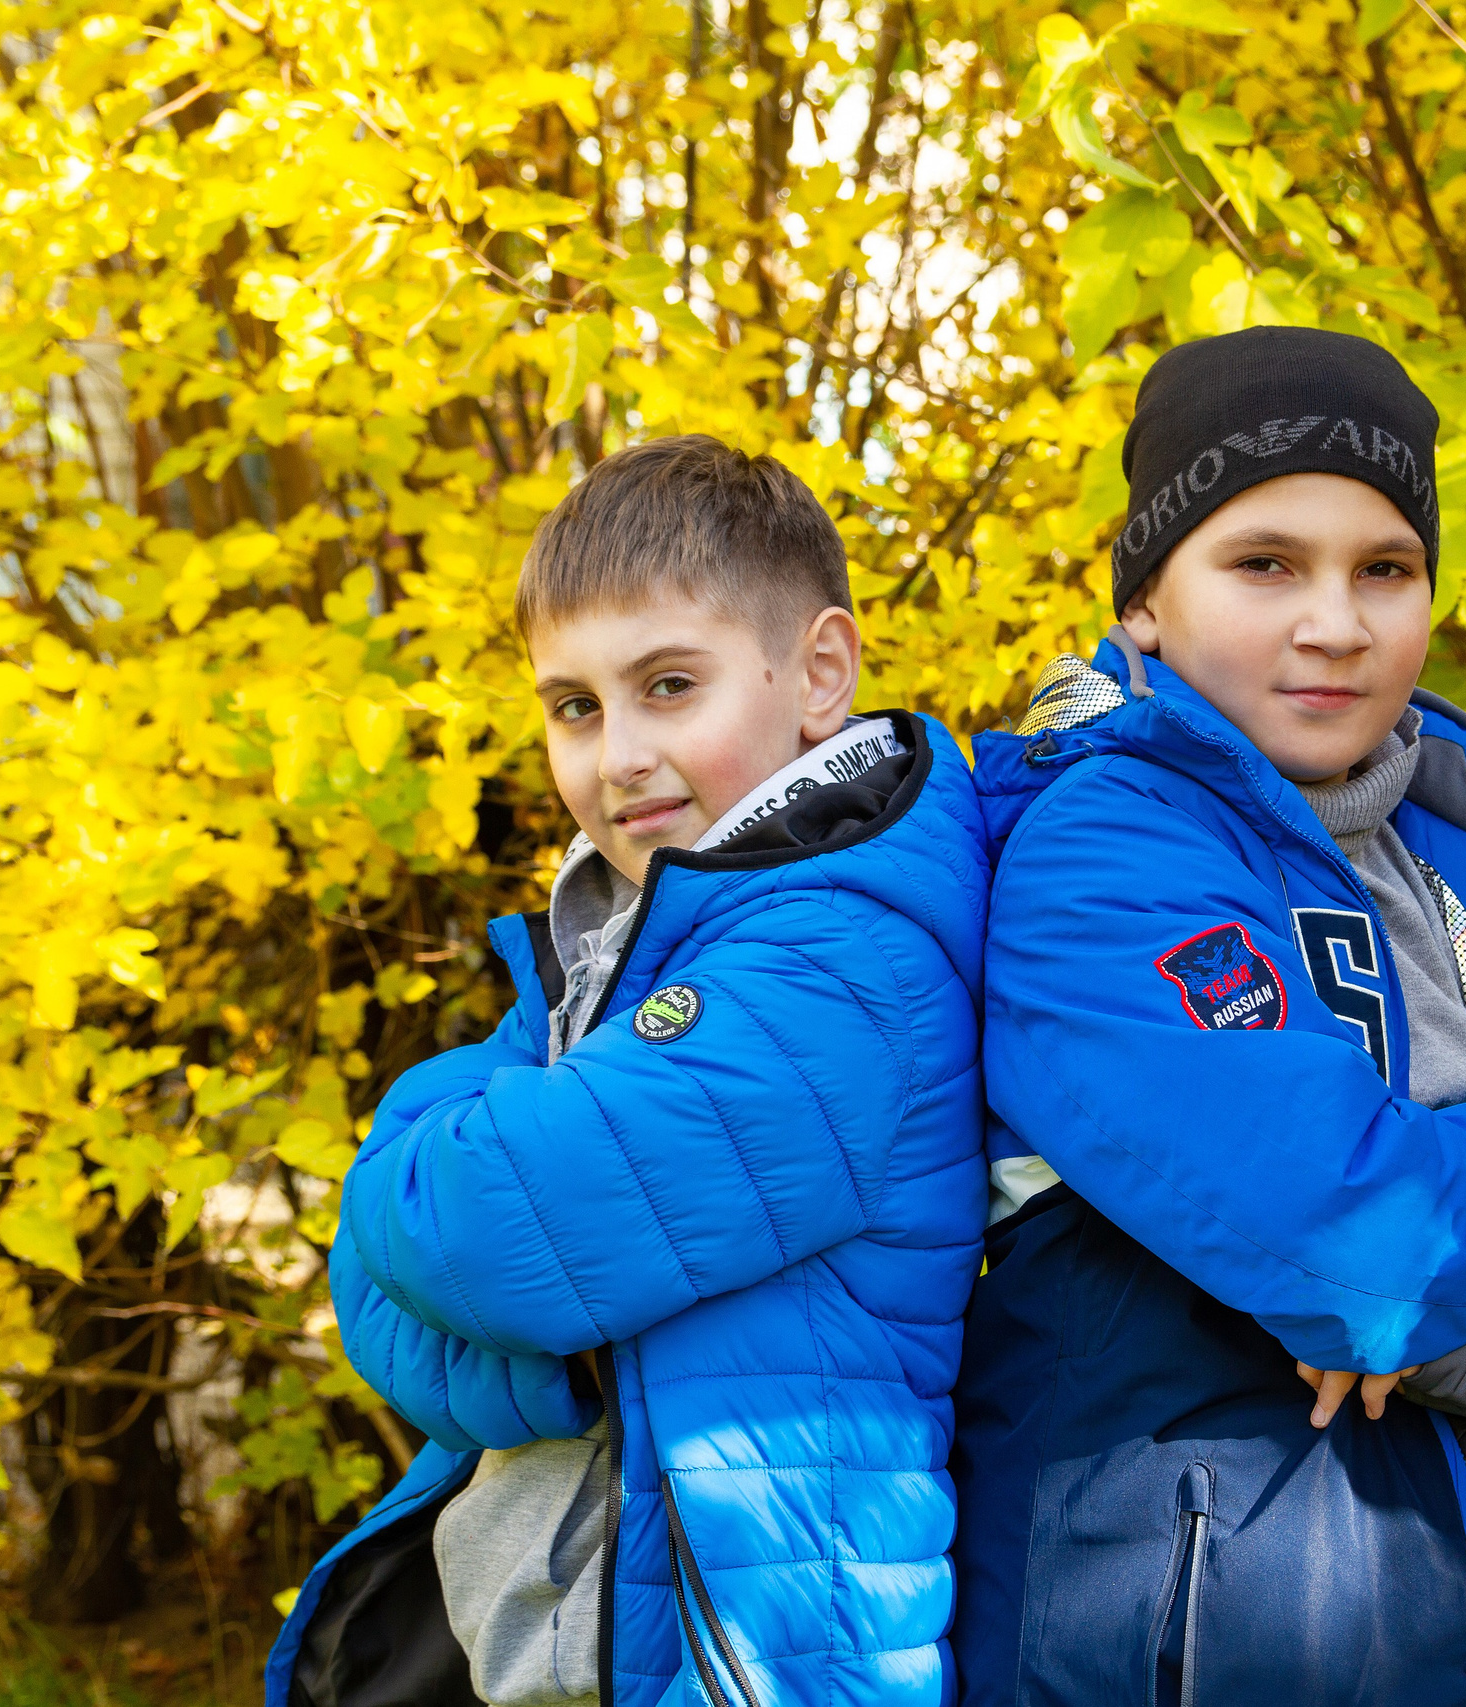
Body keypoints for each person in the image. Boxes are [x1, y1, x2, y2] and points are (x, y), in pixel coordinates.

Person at [950, 327, 1466, 1707]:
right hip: (1207, 1645)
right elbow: (1357, 1232)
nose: (1335, 623)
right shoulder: (1096, 849)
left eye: (1384, 569)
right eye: (1265, 563)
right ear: (1144, 601)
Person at [263, 436, 990, 1707]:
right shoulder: (630, 937)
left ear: (820, 671)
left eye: (668, 686)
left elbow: (476, 1232)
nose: (618, 756)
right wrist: (570, 1362)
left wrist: (439, 1204)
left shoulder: (842, 965)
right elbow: (370, 1294)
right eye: (575, 707)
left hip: (748, 1662)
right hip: (585, 1650)